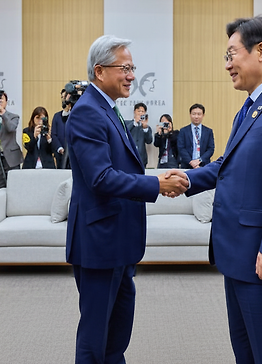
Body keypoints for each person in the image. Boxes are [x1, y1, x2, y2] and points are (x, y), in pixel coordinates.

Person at [166, 15, 262, 364]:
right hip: (238, 255)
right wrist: (189, 179)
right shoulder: (249, 109)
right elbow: (227, 164)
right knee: (246, 353)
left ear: (261, 51)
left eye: (231, 54)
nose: (227, 64)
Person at [66, 35, 188, 364]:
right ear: (100, 71)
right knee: (95, 338)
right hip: (100, 243)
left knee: (116, 336)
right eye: (125, 68)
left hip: (118, 240)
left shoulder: (107, 109)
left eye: (133, 68)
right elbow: (101, 178)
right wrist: (155, 184)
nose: (132, 75)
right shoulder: (87, 112)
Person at [178, 103, 215, 169]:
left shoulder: (208, 131)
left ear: (203, 115)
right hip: (187, 166)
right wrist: (191, 162)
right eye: (194, 114)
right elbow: (181, 148)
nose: (196, 117)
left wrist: (199, 160)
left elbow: (210, 149)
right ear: (190, 115)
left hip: (203, 165)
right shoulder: (183, 131)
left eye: (199, 114)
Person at [125, 102, 153, 168]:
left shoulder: (147, 127)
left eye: (142, 111)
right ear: (134, 112)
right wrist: (135, 122)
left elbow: (149, 141)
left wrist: (145, 128)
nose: (140, 113)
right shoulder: (127, 123)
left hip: (142, 159)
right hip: (129, 157)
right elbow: (124, 133)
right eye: (139, 111)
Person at [51, 88, 71, 169]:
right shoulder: (57, 116)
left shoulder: (75, 115)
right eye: (62, 97)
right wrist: (59, 148)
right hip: (60, 154)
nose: (64, 99)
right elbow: (53, 134)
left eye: (65, 97)